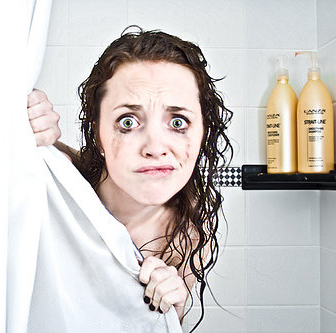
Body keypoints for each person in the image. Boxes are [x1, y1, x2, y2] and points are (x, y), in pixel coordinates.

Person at [27, 27, 232, 331]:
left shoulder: (189, 232)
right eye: (128, 122)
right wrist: (23, 125)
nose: (155, 148)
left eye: (178, 122)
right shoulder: (60, 183)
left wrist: (174, 308)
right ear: (97, 133)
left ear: (202, 131)